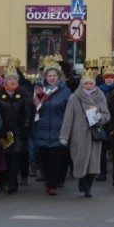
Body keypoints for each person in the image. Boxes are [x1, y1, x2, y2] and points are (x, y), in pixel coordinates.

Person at [60, 68, 110, 197]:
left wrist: (100, 117)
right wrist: (64, 135)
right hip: (79, 134)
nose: (88, 86)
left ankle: (89, 185)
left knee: (93, 162)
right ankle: (82, 179)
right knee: (79, 160)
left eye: (91, 83)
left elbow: (106, 115)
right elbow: (68, 117)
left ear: (94, 84)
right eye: (86, 83)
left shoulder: (100, 96)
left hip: (94, 133)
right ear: (81, 84)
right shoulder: (74, 97)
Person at [32, 62, 72, 196]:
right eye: (49, 75)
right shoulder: (39, 89)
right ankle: (49, 180)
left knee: (55, 159)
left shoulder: (65, 91)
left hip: (58, 129)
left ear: (59, 77)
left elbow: (69, 110)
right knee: (44, 159)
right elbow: (34, 109)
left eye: (55, 75)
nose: (52, 78)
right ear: (45, 76)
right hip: (42, 129)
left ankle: (52, 185)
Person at [0, 65, 33, 194]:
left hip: (19, 132)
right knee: (7, 157)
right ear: (5, 81)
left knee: (16, 157)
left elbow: (28, 113)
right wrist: (1, 131)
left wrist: (25, 129)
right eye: (10, 79)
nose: (12, 81)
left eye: (14, 79)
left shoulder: (23, 94)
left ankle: (13, 183)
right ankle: (4, 181)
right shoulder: (0, 96)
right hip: (5, 132)